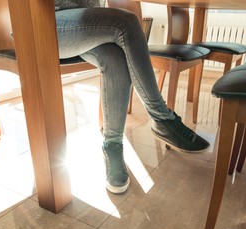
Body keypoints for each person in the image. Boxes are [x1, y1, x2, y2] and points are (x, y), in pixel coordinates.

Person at [55, 0, 210, 194]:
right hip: (46, 22)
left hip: (84, 24)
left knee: (116, 57)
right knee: (127, 21)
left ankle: (112, 144)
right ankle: (162, 117)